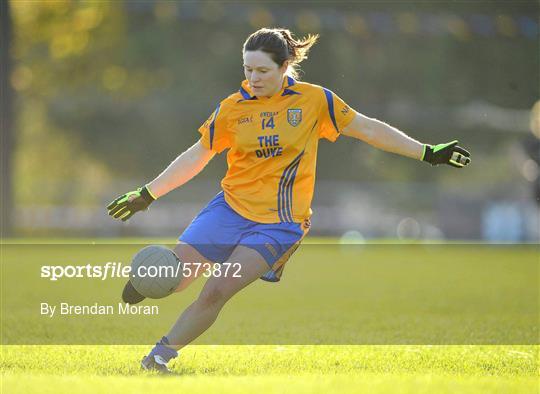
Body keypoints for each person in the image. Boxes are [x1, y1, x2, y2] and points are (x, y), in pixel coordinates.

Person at [107, 27, 471, 373]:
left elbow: (368, 128)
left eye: (263, 70)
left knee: (216, 289)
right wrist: (148, 192)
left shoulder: (315, 101)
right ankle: (150, 282)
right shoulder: (232, 107)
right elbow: (198, 154)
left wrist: (426, 152)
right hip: (229, 208)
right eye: (248, 69)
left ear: (285, 67)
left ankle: (158, 358)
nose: (254, 77)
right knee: (177, 278)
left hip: (281, 223)